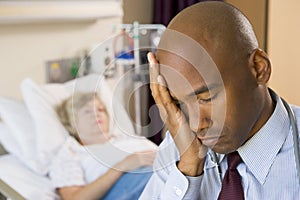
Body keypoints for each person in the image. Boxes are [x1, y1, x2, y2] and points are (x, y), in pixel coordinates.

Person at [140, 1, 300, 199]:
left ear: (259, 68)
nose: (197, 124)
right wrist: (189, 167)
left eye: (206, 98)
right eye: (180, 103)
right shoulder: (179, 148)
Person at [49, 92, 156, 200]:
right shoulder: (71, 153)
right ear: (72, 122)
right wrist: (122, 166)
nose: (97, 114)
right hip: (136, 183)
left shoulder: (128, 139)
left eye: (100, 109)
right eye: (87, 111)